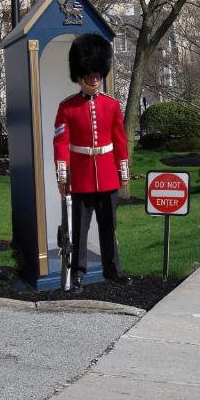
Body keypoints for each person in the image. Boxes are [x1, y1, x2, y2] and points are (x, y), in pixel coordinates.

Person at [53, 35, 130, 287]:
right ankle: (77, 272)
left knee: (109, 227)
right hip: (82, 177)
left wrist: (123, 171)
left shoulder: (112, 105)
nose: (95, 77)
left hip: (107, 175)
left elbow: (119, 141)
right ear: (81, 75)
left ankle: (112, 270)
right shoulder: (67, 107)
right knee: (79, 230)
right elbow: (61, 143)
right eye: (90, 73)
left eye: (98, 73)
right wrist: (62, 175)